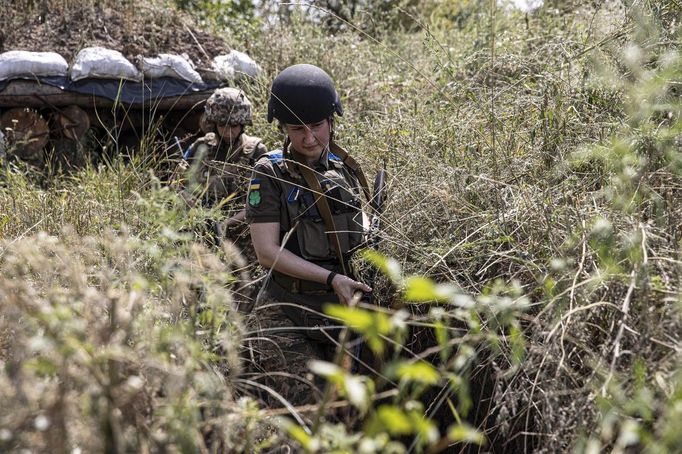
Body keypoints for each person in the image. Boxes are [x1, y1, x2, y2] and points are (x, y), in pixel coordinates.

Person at [244, 64, 373, 407]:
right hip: (286, 312)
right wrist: (332, 278)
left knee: (353, 414)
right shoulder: (269, 173)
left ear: (332, 120)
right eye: (296, 129)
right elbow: (266, 252)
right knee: (306, 413)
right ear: (282, 128)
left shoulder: (345, 168)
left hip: (338, 312)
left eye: (317, 126)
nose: (309, 138)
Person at [174, 87, 268, 310]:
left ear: (243, 124)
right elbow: (181, 186)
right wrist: (192, 206)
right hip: (205, 233)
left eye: (234, 126)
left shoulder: (255, 151)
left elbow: (263, 200)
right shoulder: (200, 147)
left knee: (243, 295)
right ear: (213, 122)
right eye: (223, 125)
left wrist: (228, 222)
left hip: (244, 234)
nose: (228, 131)